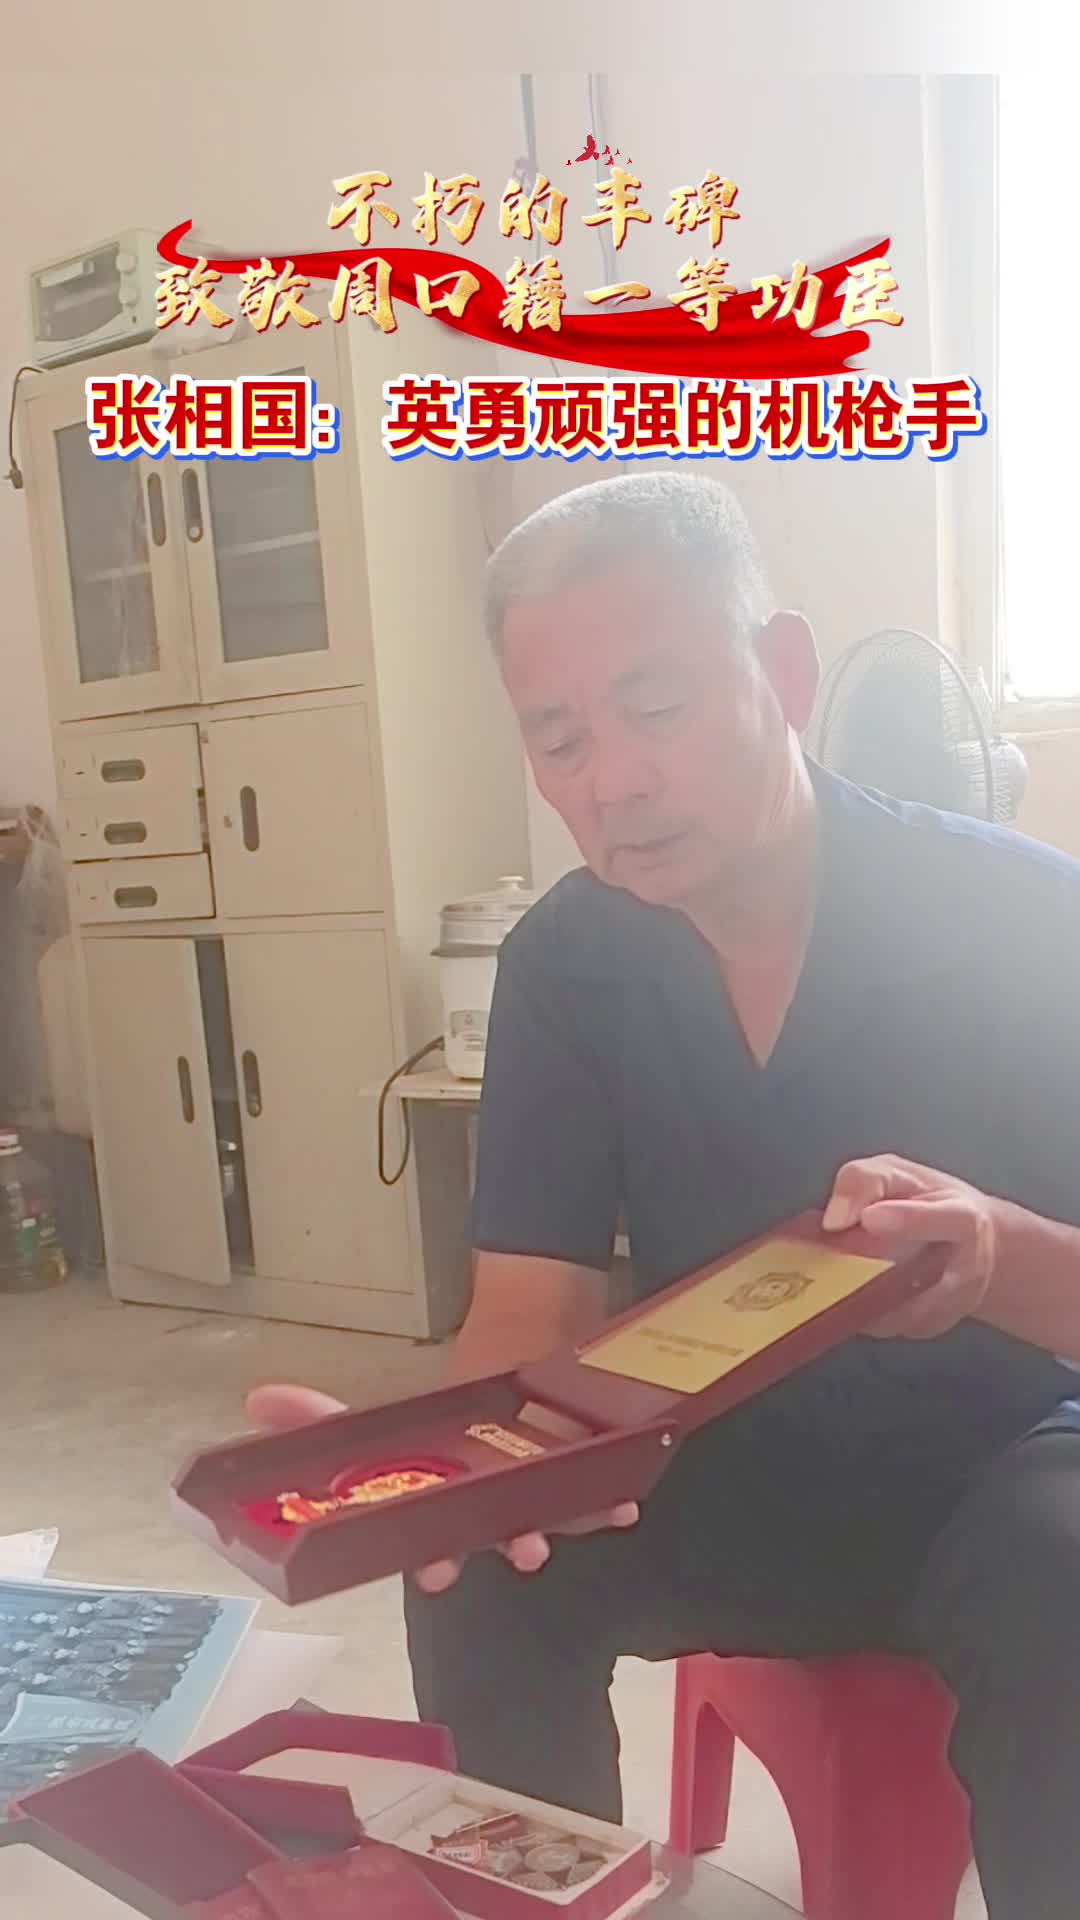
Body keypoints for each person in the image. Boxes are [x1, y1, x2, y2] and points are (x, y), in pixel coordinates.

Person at [251, 475, 1080, 1920]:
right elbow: (527, 1313)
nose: (613, 781)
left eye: (656, 706)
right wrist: (428, 1475)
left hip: (1003, 1464)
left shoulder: (1022, 918)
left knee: (1064, 1574)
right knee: (477, 1568)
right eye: (560, 738)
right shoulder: (567, 965)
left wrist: (993, 1251)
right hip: (724, 1464)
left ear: (785, 674)